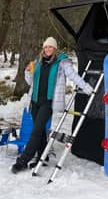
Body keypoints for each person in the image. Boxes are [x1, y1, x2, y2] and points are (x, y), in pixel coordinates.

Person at [11, 37, 93, 174]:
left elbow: (73, 76)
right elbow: (30, 82)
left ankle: (23, 161)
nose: (47, 49)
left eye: (50, 47)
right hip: (35, 102)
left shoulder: (62, 62)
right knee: (41, 131)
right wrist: (27, 72)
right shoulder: (38, 62)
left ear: (55, 49)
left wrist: (87, 88)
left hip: (48, 103)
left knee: (36, 131)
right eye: (46, 47)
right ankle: (43, 157)